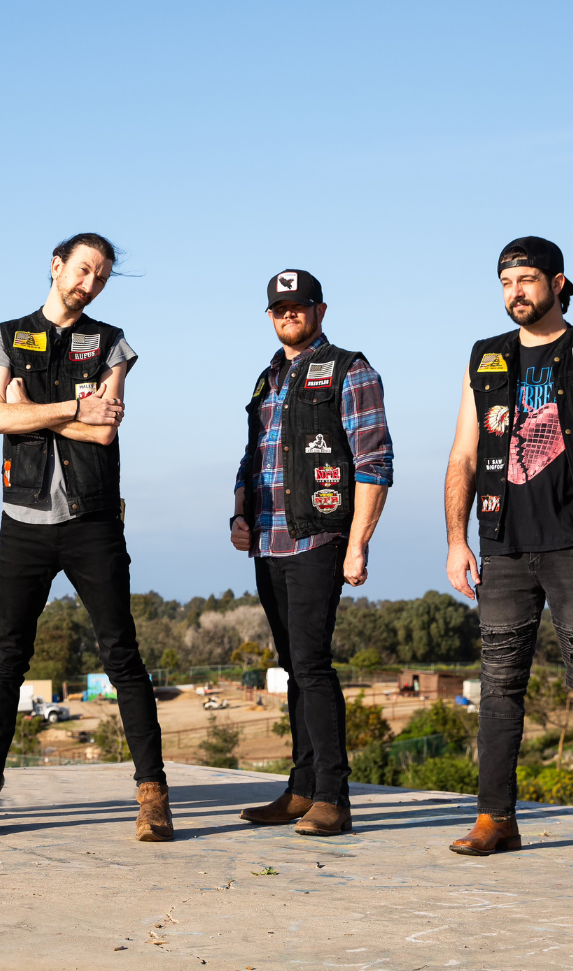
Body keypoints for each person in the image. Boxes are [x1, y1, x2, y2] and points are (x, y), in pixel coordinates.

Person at [0, 233, 172, 842]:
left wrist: (35, 405)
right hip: (22, 523)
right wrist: (73, 406)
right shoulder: (6, 334)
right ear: (56, 266)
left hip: (92, 522)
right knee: (7, 660)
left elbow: (105, 434)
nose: (90, 282)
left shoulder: (112, 343)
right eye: (82, 269)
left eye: (101, 276)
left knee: (121, 656)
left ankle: (153, 795)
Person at [443, 237, 573, 862]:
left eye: (527, 280)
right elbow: (463, 456)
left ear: (558, 283)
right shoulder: (486, 359)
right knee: (499, 687)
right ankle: (494, 819)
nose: (516, 293)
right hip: (502, 546)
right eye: (506, 283)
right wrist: (457, 541)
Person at [231, 269, 392, 836]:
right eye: (279, 309)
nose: (288, 315)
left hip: (319, 538)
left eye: (298, 307)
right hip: (268, 543)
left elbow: (374, 463)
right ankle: (299, 790)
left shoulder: (352, 370)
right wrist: (239, 513)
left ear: (320, 311)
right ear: (270, 316)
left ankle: (332, 797)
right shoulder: (265, 380)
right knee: (293, 668)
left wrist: (357, 545)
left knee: (314, 667)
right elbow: (252, 457)